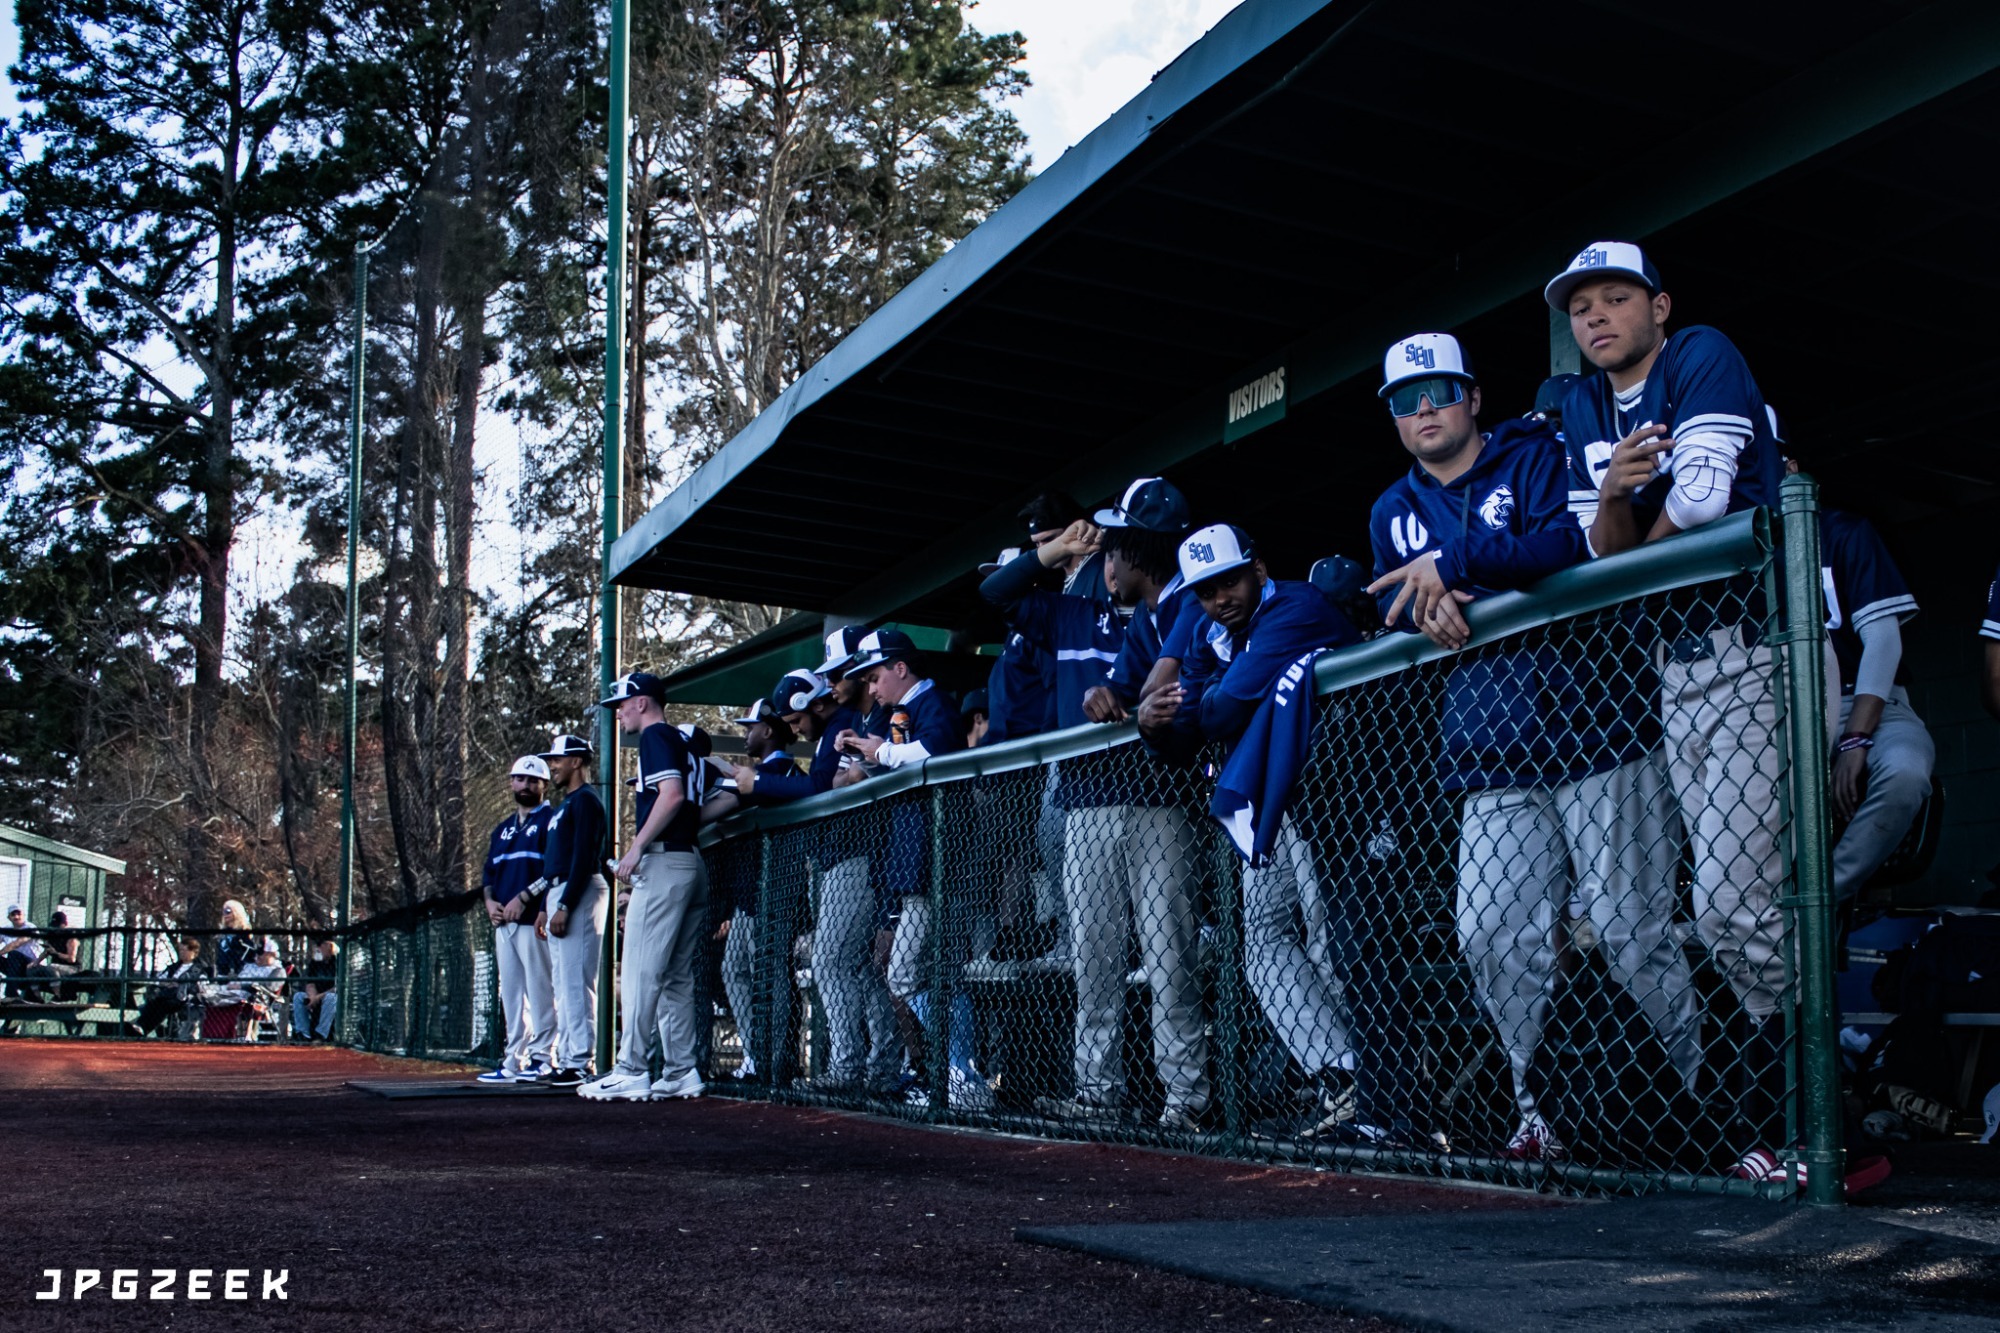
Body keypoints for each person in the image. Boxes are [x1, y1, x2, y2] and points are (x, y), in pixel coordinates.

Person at [1365, 331, 1699, 1161]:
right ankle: (1539, 1106)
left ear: (1473, 395)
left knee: (1633, 932)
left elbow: (1571, 542)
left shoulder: (1539, 449)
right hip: (1491, 747)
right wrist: (1426, 602)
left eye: (1439, 391)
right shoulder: (1391, 509)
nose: (1425, 410)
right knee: (1490, 932)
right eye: (1406, 402)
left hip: (1599, 727)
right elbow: (1389, 605)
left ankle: (1697, 1099)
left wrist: (1456, 564)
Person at [1547, 240, 1792, 1168]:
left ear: (1658, 304)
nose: (1598, 316)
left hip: (1752, 650)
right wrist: (1613, 498)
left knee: (1739, 903)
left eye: (1616, 297)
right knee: (1729, 912)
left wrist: (1622, 519)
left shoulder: (1699, 354)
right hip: (1674, 671)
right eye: (1581, 306)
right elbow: (1602, 562)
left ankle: (1801, 1120)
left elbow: (1697, 505)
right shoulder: (1579, 407)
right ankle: (1784, 1120)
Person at [988, 486, 1211, 1130]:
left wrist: (1127, 698)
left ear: (1136, 550)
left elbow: (1168, 689)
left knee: (1170, 952)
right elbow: (994, 595)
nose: (1106, 557)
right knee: (1095, 955)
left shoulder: (1182, 604)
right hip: (1089, 799)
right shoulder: (1093, 615)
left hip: (1162, 797)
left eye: (1116, 545)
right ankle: (1098, 1090)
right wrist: (1054, 547)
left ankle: (1186, 1098)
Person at [1140, 521, 1364, 1137]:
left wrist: (1191, 706)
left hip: (1341, 798)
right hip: (1274, 801)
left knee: (1332, 940)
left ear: (1257, 570)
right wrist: (1153, 723)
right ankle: (1340, 1078)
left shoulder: (1297, 605)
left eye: (1229, 580)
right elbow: (1180, 733)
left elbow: (1221, 708)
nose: (1220, 598)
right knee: (1263, 941)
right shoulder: (1212, 631)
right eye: (1206, 589)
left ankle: (1381, 1089)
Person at [1779, 446, 1934, 904]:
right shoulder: (1736, 549)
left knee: (1906, 769)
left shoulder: (1842, 531)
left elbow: (1884, 643)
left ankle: (1821, 898)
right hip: (1776, 712)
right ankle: (1761, 904)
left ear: (1790, 467)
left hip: (1865, 700)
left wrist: (1855, 738)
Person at [836, 629, 969, 1099]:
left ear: (899, 667)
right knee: (914, 971)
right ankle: (955, 1072)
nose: (870, 689)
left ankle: (963, 1073)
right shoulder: (903, 712)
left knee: (916, 971)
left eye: (874, 677)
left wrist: (879, 751)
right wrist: (869, 755)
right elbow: (902, 761)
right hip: (915, 861)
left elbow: (936, 752)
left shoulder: (933, 702)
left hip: (940, 858)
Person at [580, 672, 711, 1103]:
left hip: (663, 860)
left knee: (639, 970)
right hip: (690, 860)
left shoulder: (655, 736)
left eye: (621, 703)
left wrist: (635, 848)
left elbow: (671, 796)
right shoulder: (682, 741)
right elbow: (719, 794)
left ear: (642, 702)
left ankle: (632, 1068)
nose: (617, 712)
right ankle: (679, 1070)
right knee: (675, 975)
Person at [738, 667, 864, 1086]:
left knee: (833, 962)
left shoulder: (842, 723)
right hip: (835, 859)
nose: (796, 729)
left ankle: (850, 1068)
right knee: (852, 966)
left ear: (814, 705)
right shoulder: (832, 730)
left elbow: (818, 789)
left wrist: (755, 782)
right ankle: (867, 1066)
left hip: (853, 853)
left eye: (796, 721)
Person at [712, 697, 798, 1082]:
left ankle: (774, 1058)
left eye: (750, 728)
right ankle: (755, 1052)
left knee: (770, 973)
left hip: (776, 891)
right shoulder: (761, 773)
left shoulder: (783, 772)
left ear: (768, 729)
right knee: (735, 969)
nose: (745, 734)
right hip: (749, 894)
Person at [476, 755, 557, 1084]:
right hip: (503, 924)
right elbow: (488, 874)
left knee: (540, 990)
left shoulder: (551, 820)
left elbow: (553, 872)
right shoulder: (503, 829)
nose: (526, 785)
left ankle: (544, 1057)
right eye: (520, 779)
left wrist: (525, 900)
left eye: (533, 780)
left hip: (534, 921)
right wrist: (489, 902)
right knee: (510, 993)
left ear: (544, 785)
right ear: (511, 782)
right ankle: (514, 1060)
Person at [538, 732, 609, 1087]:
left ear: (576, 761)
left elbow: (585, 855)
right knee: (564, 983)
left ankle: (580, 1061)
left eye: (557, 759)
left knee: (577, 981)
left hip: (578, 888)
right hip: (559, 889)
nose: (552, 765)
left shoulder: (586, 801)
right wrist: (544, 906)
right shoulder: (566, 803)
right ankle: (567, 1056)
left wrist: (565, 903)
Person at [132, 936, 206, 1038]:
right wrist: (167, 984)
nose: (182, 953)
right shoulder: (174, 967)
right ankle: (139, 1026)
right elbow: (159, 979)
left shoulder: (199, 968)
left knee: (164, 1005)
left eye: (185, 950)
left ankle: (143, 1028)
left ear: (193, 952)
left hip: (183, 998)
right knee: (155, 1001)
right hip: (167, 994)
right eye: (180, 950)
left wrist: (180, 985)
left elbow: (200, 985)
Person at [290, 939, 338, 1042]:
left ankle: (320, 1034)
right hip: (315, 996)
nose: (318, 948)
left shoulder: (338, 962)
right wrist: (312, 997)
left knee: (331, 998)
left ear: (329, 946)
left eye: (321, 945)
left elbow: (338, 987)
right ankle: (303, 1034)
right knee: (298, 996)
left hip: (330, 996)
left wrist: (318, 997)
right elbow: (310, 984)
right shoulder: (314, 963)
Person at [0, 905, 44, 998]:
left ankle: (11, 994)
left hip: (34, 965)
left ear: (24, 915)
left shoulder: (30, 927)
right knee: (13, 956)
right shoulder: (6, 929)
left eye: (18, 914)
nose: (16, 917)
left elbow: (16, 944)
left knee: (13, 953)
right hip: (15, 967)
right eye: (13, 914)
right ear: (9, 917)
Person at [215, 900, 255, 976]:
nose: (225, 914)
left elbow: (247, 953)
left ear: (236, 912)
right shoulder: (223, 933)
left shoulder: (244, 932)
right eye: (223, 911)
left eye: (228, 911)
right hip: (223, 973)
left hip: (242, 972)